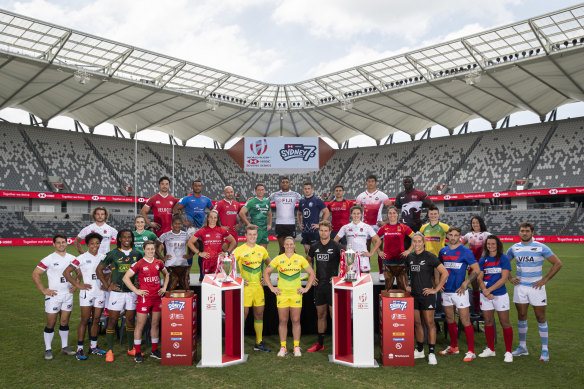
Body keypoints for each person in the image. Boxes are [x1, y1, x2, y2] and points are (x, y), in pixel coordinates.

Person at [507, 222, 562, 362]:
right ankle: (522, 347)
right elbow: (504, 263)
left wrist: (544, 280)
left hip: (536, 288)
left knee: (540, 317)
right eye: (522, 231)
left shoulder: (541, 247)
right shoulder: (514, 248)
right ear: (519, 232)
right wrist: (510, 277)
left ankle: (545, 350)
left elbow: (557, 263)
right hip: (520, 288)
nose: (524, 233)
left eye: (527, 231)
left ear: (532, 232)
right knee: (522, 315)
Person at [263, 236, 316, 357]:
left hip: (296, 295)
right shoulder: (278, 259)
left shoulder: (300, 258)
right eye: (287, 244)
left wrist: (306, 288)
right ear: (283, 246)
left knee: (296, 320)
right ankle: (283, 347)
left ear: (294, 245)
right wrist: (272, 288)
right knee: (282, 321)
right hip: (282, 295)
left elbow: (312, 274)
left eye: (291, 244)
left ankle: (296, 347)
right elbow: (266, 272)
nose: (289, 246)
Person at [96, 229, 142, 362]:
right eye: (124, 237)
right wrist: (107, 285)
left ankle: (131, 348)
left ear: (132, 239)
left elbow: (140, 271)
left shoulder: (137, 254)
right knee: (112, 320)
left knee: (130, 320)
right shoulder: (112, 254)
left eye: (129, 237)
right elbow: (99, 270)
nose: (127, 239)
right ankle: (110, 351)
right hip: (116, 293)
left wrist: (138, 282)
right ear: (119, 239)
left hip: (132, 293)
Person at [62, 233, 107, 360]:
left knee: (97, 319)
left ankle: (93, 347)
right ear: (87, 245)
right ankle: (80, 349)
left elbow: (109, 272)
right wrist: (78, 285)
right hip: (87, 293)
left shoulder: (104, 257)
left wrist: (106, 283)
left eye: (97, 243)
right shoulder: (81, 258)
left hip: (100, 293)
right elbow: (66, 272)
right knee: (85, 319)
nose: (95, 246)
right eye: (92, 243)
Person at [32, 234, 77, 360]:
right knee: (50, 323)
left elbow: (80, 272)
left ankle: (65, 347)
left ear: (67, 243)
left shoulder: (72, 258)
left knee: (64, 322)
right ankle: (48, 349)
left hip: (67, 295)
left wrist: (76, 285)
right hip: (53, 295)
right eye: (58, 242)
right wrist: (43, 290)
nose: (61, 244)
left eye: (63, 242)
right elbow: (35, 274)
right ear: (54, 244)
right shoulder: (48, 259)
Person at [438, 227, 480, 362]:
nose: (453, 237)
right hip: (446, 291)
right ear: (447, 236)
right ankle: (454, 347)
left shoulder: (465, 251)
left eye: (456, 235)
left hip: (459, 292)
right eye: (451, 235)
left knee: (465, 320)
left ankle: (471, 351)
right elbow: (439, 269)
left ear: (460, 236)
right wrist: (439, 284)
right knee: (450, 319)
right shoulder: (443, 251)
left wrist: (466, 282)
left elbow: (477, 270)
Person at [122, 240, 169, 363]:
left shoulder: (159, 263)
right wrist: (136, 290)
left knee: (155, 324)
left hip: (156, 298)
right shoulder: (139, 263)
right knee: (140, 325)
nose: (150, 251)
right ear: (144, 250)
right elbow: (126, 278)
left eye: (152, 249)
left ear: (155, 250)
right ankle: (137, 352)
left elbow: (167, 275)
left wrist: (164, 288)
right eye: (148, 249)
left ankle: (154, 350)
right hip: (144, 299)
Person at [406, 232, 448, 365]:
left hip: (427, 296)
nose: (417, 244)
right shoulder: (410, 257)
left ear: (423, 242)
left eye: (419, 241)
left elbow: (445, 272)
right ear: (412, 243)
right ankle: (419, 350)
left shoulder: (430, 257)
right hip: (414, 296)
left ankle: (431, 353)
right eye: (414, 241)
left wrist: (435, 289)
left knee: (430, 324)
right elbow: (402, 272)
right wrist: (406, 285)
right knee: (417, 324)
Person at [233, 225, 271, 353]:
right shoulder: (239, 250)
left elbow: (270, 265)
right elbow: (229, 266)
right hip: (246, 288)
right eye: (250, 234)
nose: (252, 237)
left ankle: (259, 342)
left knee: (259, 314)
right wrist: (239, 280)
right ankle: (237, 342)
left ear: (257, 235)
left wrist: (266, 278)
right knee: (243, 315)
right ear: (245, 235)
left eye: (254, 234)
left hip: (258, 288)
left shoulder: (262, 250)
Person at [305, 221, 342, 353]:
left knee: (334, 315)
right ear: (318, 231)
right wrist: (312, 274)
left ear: (330, 231)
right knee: (321, 314)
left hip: (332, 286)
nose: (323, 232)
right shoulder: (314, 246)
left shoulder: (337, 246)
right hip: (319, 286)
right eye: (321, 230)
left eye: (326, 230)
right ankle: (320, 344)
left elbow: (346, 263)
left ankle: (338, 343)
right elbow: (308, 260)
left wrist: (339, 278)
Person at [476, 235, 514, 363]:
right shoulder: (483, 260)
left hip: (500, 295)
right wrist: (485, 292)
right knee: (488, 321)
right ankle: (490, 349)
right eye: (488, 244)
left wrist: (488, 290)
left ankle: (509, 352)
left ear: (498, 245)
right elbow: (479, 278)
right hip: (486, 295)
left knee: (505, 322)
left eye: (493, 244)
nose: (491, 246)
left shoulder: (503, 258)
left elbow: (504, 279)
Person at [172, 180, 214, 281]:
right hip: (191, 228)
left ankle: (202, 275)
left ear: (201, 187)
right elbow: (175, 209)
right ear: (192, 187)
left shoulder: (206, 199)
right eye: (196, 186)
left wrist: (207, 221)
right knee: (192, 250)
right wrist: (183, 221)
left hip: (202, 229)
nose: (198, 187)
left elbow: (214, 210)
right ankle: (187, 275)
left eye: (199, 186)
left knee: (203, 251)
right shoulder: (187, 199)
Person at [355, 175, 391, 280]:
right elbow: (356, 210)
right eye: (368, 181)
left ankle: (381, 273)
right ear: (366, 183)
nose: (370, 183)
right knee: (365, 249)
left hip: (377, 227)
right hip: (364, 227)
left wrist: (385, 222)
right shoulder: (361, 196)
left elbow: (392, 208)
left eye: (372, 181)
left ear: (376, 183)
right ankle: (366, 272)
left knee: (380, 249)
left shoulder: (382, 195)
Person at [371, 206, 414, 291]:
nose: (392, 215)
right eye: (390, 213)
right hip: (387, 261)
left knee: (403, 288)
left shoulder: (403, 227)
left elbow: (415, 237)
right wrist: (379, 251)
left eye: (394, 213)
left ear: (397, 214)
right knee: (388, 288)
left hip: (401, 260)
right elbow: (373, 239)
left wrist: (408, 251)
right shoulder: (383, 228)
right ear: (387, 215)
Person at [187, 210, 237, 278]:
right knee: (208, 283)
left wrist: (227, 253)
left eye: (215, 217)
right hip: (207, 261)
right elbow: (190, 243)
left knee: (219, 282)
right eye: (211, 217)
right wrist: (199, 253)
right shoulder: (202, 231)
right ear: (208, 218)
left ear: (217, 219)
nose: (213, 219)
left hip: (219, 260)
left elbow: (233, 242)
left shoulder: (222, 230)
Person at [334, 206, 380, 274]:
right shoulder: (345, 227)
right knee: (350, 279)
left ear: (361, 214)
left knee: (364, 280)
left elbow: (378, 240)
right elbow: (335, 241)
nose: (356, 215)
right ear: (351, 214)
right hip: (350, 256)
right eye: (354, 213)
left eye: (358, 213)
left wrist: (371, 253)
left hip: (363, 255)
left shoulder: (367, 227)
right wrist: (343, 252)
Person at [461, 216, 491, 313]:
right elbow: (459, 245)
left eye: (477, 222)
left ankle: (485, 307)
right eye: (473, 223)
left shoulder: (487, 235)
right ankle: (477, 308)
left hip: (483, 265)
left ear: (481, 223)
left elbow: (495, 245)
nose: (475, 224)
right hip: (472, 265)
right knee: (475, 288)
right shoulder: (468, 235)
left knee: (484, 286)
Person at [269, 177, 302, 254]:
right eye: (283, 182)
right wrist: (253, 199)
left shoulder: (295, 194)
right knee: (281, 249)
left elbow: (306, 201)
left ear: (289, 184)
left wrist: (318, 198)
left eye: (286, 182)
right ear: (281, 184)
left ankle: (293, 265)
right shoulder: (275, 194)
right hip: (279, 224)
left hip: (291, 224)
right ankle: (281, 265)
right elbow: (264, 201)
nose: (285, 184)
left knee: (291, 248)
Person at [157, 215, 191, 290]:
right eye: (175, 223)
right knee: (170, 287)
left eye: (179, 224)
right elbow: (155, 246)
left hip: (182, 264)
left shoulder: (185, 234)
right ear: (172, 224)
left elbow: (194, 244)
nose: (177, 225)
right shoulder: (165, 235)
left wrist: (190, 255)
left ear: (181, 224)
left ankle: (184, 301)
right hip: (170, 265)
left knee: (184, 288)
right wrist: (162, 257)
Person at [297, 182, 329, 256]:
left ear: (312, 189)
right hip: (305, 231)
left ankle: (318, 268)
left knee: (317, 253)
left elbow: (327, 212)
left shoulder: (317, 200)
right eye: (305, 189)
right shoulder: (302, 201)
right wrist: (299, 224)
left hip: (314, 231)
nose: (307, 190)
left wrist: (320, 225)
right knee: (307, 253)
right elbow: (299, 213)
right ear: (303, 190)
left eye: (309, 189)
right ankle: (310, 268)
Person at [239, 183, 272, 248]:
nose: (261, 191)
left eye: (262, 190)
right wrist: (248, 224)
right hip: (255, 230)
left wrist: (269, 224)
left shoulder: (267, 201)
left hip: (264, 230)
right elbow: (241, 213)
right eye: (259, 190)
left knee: (264, 250)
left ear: (264, 190)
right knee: (253, 250)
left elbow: (269, 214)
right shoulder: (251, 201)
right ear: (255, 191)